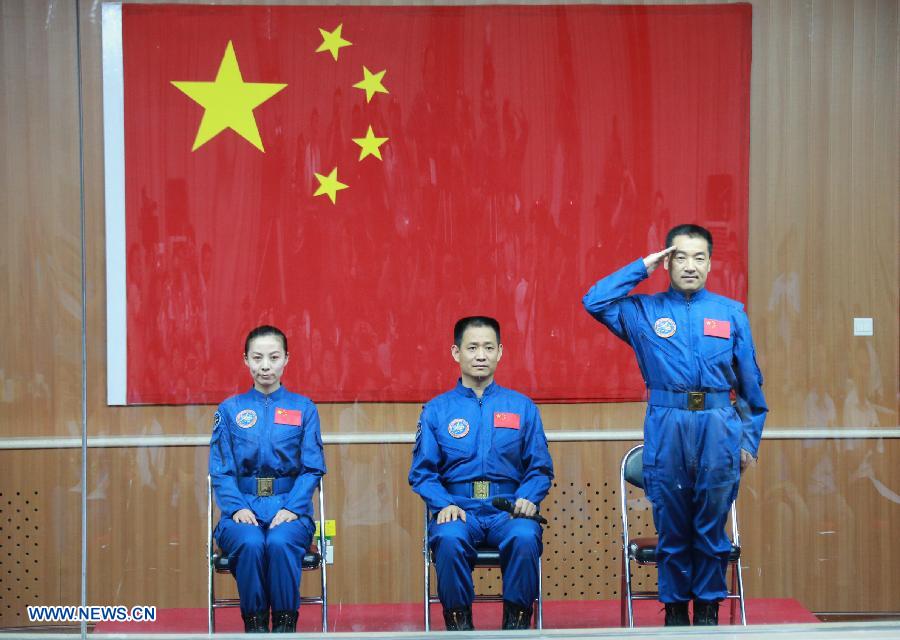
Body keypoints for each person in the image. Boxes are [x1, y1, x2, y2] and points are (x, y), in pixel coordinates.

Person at [582, 224, 767, 626]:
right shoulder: (643, 311)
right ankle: (675, 614)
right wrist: (641, 267)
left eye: (698, 257)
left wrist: (748, 443)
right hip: (667, 424)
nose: (689, 265)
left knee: (710, 526)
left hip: (718, 426)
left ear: (710, 263)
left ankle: (707, 612)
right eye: (679, 256)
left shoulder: (730, 312)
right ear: (668, 262)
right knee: (672, 525)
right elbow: (594, 301)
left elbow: (752, 388)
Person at [409, 316, 554, 631]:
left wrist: (527, 500)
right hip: (459, 509)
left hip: (508, 509)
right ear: (455, 352)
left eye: (488, 347)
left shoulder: (522, 407)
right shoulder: (436, 410)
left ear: (500, 352)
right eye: (472, 347)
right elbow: (422, 473)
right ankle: (459, 626)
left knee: (526, 535)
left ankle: (516, 625)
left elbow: (540, 468)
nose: (480, 355)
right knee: (447, 539)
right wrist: (442, 503)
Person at [209, 325, 326, 633]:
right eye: (257, 357)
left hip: (290, 508)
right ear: (245, 360)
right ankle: (256, 626)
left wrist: (293, 508)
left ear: (286, 359)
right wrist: (235, 508)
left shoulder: (303, 408)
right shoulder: (230, 409)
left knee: (279, 542)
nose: (265, 365)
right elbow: (220, 469)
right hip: (241, 508)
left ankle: (285, 625)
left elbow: (312, 468)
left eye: (273, 357)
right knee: (249, 543)